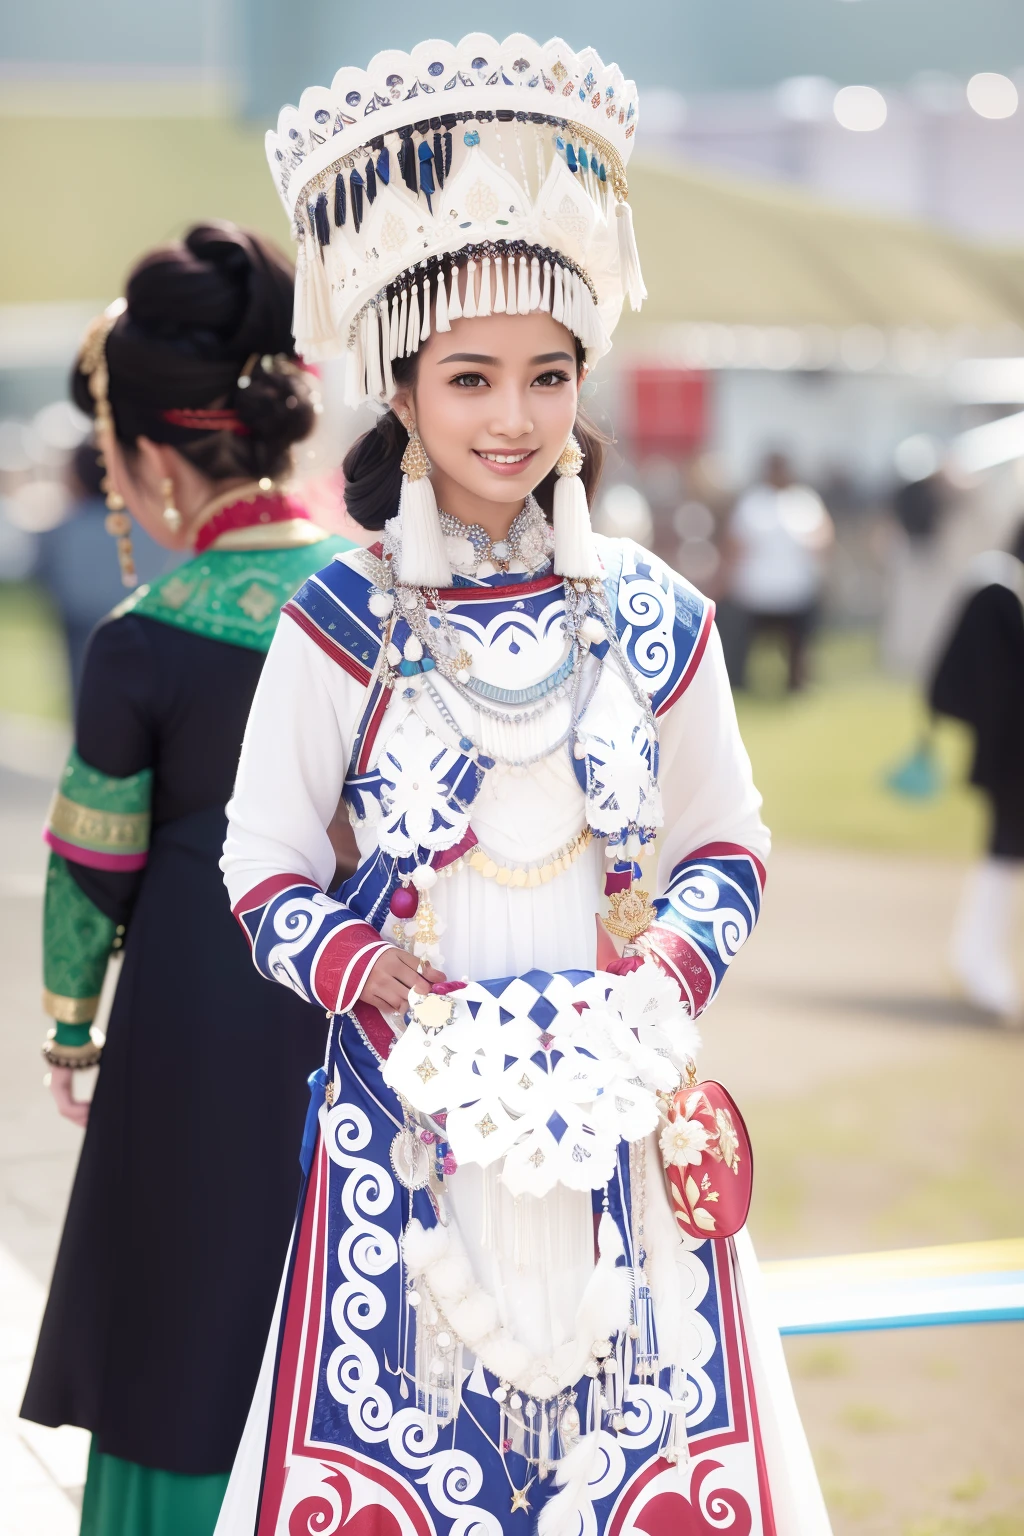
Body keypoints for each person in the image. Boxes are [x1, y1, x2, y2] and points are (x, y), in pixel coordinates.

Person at [216, 38, 831, 1536]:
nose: (513, 417)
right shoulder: (340, 622)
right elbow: (260, 864)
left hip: (624, 1128)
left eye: (546, 376)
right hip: (410, 1133)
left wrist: (660, 986)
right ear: (402, 393)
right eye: (471, 378)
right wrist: (375, 979)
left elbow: (728, 847)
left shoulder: (657, 615)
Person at [20, 222, 354, 1535]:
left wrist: (67, 1026)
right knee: (347, 1286)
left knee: (187, 1304)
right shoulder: (382, 602)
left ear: (150, 453)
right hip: (366, 1000)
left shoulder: (144, 639)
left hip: (192, 1016)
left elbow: (91, 865)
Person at [930, 523, 1024, 1021]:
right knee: (1005, 849)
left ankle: (978, 956)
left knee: (1005, 849)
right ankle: (978, 959)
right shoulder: (1000, 590)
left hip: (1007, 750)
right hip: (1011, 752)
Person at [35, 439, 178, 699]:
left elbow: (44, 573)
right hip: (146, 629)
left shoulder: (66, 525)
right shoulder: (148, 524)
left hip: (83, 629)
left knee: (87, 699)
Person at [723, 450, 834, 691]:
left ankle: (797, 682)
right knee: (745, 643)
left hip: (796, 589)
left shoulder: (805, 501)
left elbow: (824, 537)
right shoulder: (752, 502)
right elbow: (735, 546)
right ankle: (740, 682)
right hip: (757, 591)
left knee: (799, 644)